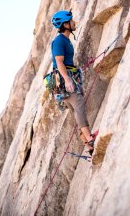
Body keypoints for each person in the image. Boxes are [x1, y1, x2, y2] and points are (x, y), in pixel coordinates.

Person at [51, 10, 98, 154]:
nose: (74, 22)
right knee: (78, 106)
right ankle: (89, 138)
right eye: (71, 20)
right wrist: (67, 80)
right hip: (64, 78)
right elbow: (59, 62)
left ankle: (88, 146)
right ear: (65, 24)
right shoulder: (59, 41)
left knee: (75, 110)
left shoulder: (65, 40)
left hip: (67, 76)